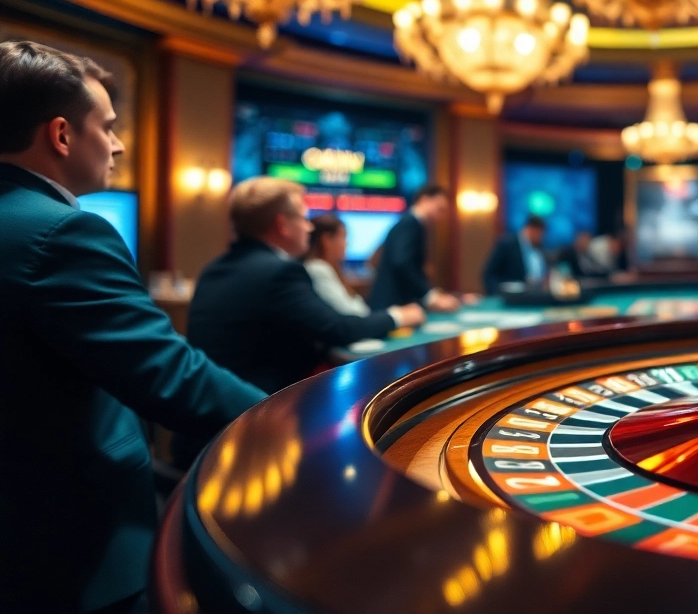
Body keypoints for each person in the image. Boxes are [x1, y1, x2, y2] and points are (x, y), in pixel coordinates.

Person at [0, 41, 265, 613]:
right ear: (62, 135)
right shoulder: (62, 234)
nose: (118, 144)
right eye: (109, 127)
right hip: (71, 547)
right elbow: (172, 376)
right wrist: (289, 420)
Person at [187, 178, 426, 395]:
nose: (310, 228)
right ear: (283, 224)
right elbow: (337, 328)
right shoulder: (279, 272)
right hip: (256, 413)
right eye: (303, 218)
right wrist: (397, 316)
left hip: (209, 412)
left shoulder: (213, 269)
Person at [368, 184, 460, 311]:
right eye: (439, 209)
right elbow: (401, 262)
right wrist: (430, 296)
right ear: (425, 200)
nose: (441, 216)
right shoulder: (410, 223)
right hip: (392, 304)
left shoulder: (413, 223)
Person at [304, 213, 370, 316]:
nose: (346, 244)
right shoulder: (317, 269)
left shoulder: (327, 268)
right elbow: (350, 314)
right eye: (343, 237)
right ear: (326, 240)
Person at [483, 214, 550, 293]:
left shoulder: (540, 248)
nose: (541, 238)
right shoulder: (507, 245)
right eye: (540, 234)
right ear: (531, 230)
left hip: (534, 297)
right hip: (509, 299)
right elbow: (489, 274)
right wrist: (497, 294)